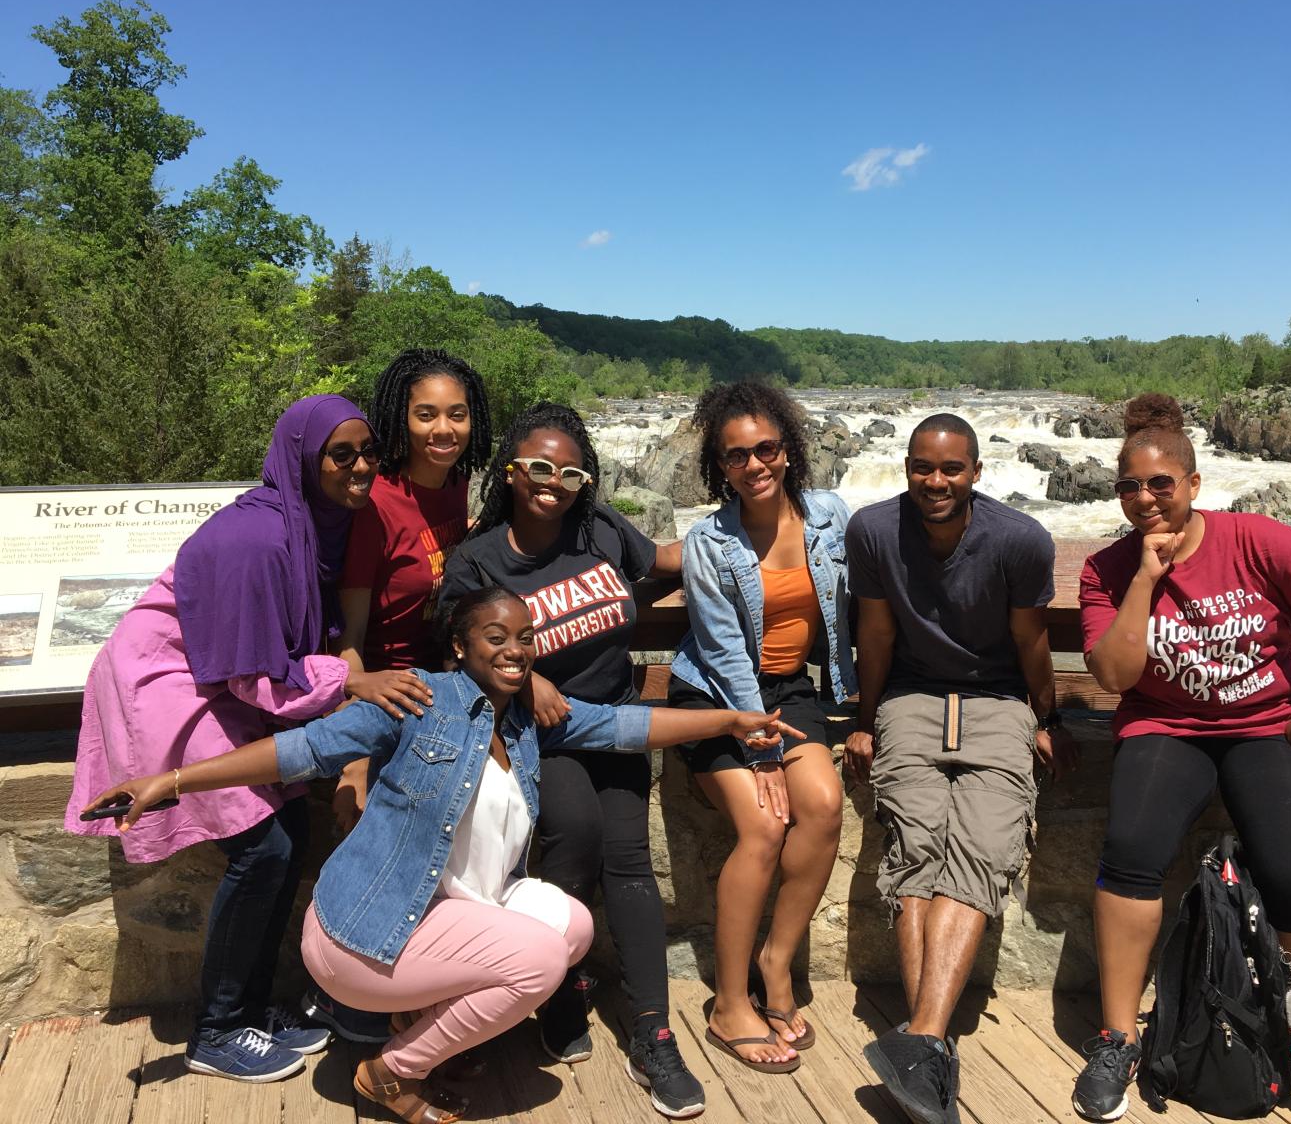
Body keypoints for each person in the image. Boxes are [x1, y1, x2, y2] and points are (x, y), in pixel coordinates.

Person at [81, 587, 798, 1124]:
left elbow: (623, 724)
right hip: (364, 931)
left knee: (571, 925)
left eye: (525, 637)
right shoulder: (419, 701)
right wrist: (171, 780)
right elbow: (301, 749)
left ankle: (415, 1022)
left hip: (444, 917)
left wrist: (733, 719)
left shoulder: (522, 719)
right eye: (496, 637)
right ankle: (394, 1071)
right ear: (459, 645)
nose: (516, 649)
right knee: (542, 962)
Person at [63, 395, 433, 1083]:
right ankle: (218, 1030)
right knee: (264, 845)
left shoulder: (309, 525)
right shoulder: (257, 540)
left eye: (368, 453)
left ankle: (254, 1008)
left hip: (220, 676)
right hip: (168, 680)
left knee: (286, 827)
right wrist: (354, 682)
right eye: (340, 454)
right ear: (302, 457)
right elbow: (257, 680)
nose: (359, 468)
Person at [1070, 393, 1291, 1123]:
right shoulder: (1108, 570)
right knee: (1130, 853)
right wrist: (1146, 581)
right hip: (1164, 727)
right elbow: (1116, 678)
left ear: (1192, 485)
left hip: (1266, 728)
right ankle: (1117, 1037)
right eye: (1129, 486)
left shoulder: (1258, 541)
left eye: (1161, 484)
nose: (1145, 498)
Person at [437, 402, 702, 1117]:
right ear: (512, 471)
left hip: (612, 721)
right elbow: (457, 648)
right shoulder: (480, 558)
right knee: (574, 835)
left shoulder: (604, 531)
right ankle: (559, 994)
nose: (553, 482)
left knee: (628, 857)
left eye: (571, 472)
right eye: (539, 468)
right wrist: (527, 674)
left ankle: (653, 1030)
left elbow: (664, 560)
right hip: (532, 732)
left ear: (586, 479)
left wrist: (753, 539)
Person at [843, 414, 1071, 1124]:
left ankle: (921, 1040)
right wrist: (862, 718)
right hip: (909, 699)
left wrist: (1046, 715)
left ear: (976, 471)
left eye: (951, 469)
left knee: (985, 849)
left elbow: (1031, 639)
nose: (935, 482)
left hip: (1000, 702)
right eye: (922, 468)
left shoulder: (1018, 540)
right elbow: (875, 631)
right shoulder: (875, 531)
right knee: (917, 852)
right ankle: (930, 1049)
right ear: (905, 468)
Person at [303, 350, 493, 1044]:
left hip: (445, 684)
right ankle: (350, 994)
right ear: (400, 421)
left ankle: (427, 988)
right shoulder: (378, 502)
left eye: (456, 413)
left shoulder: (460, 487)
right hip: (388, 684)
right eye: (426, 414)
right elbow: (349, 637)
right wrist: (360, 710)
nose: (443, 428)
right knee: (367, 823)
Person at [668, 380, 853, 1071]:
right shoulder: (708, 542)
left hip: (789, 691)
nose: (754, 465)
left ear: (788, 449)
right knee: (764, 825)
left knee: (824, 807)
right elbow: (719, 649)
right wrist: (762, 748)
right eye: (736, 455)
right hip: (714, 698)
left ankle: (776, 962)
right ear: (719, 465)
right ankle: (728, 1004)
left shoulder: (830, 516)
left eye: (766, 448)